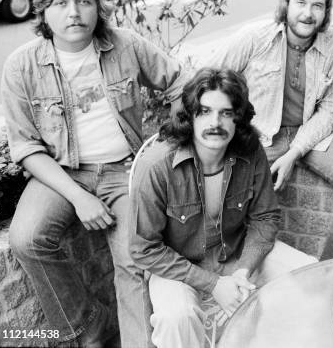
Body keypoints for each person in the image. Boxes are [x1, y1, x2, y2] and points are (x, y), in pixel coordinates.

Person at [1, 0, 188, 347]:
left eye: (84, 1)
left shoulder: (124, 45)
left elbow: (179, 81)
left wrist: (173, 141)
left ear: (96, 10)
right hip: (61, 172)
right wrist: (78, 196)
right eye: (61, 2)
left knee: (134, 261)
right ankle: (90, 329)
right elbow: (25, 147)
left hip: (125, 169)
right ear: (44, 13)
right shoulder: (21, 66)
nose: (74, 12)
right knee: (26, 239)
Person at [129, 68, 316, 348]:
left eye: (226, 113)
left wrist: (243, 271)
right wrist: (214, 284)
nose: (215, 122)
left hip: (237, 252)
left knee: (311, 277)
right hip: (179, 266)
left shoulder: (250, 153)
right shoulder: (156, 167)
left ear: (238, 118)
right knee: (176, 318)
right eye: (204, 111)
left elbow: (265, 217)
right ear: (189, 116)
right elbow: (144, 249)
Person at [205, 0, 333, 258]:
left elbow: (331, 107)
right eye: (301, 3)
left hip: (311, 133)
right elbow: (207, 80)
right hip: (260, 135)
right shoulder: (255, 38)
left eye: (317, 5)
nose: (308, 13)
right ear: (287, 4)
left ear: (326, 11)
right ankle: (226, 268)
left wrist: (294, 152)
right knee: (226, 195)